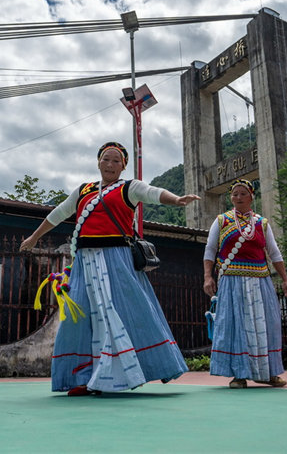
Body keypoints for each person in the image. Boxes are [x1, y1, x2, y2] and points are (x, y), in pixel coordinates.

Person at [20, 141, 200, 395]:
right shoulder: (83, 190)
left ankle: (116, 376)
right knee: (80, 316)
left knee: (119, 313)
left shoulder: (129, 188)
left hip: (117, 259)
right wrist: (34, 237)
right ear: (98, 162)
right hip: (83, 261)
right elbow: (58, 213)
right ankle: (83, 377)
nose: (110, 164)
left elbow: (153, 192)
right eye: (106, 159)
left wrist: (176, 199)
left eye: (116, 161)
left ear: (123, 166)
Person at [202, 178, 287, 389]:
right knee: (237, 326)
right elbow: (210, 249)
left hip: (261, 280)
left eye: (243, 193)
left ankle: (269, 372)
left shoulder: (262, 223)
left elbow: (274, 253)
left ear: (252, 196)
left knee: (266, 325)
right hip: (232, 280)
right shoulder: (222, 220)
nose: (238, 197)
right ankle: (239, 374)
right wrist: (208, 276)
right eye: (235, 194)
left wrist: (286, 280)